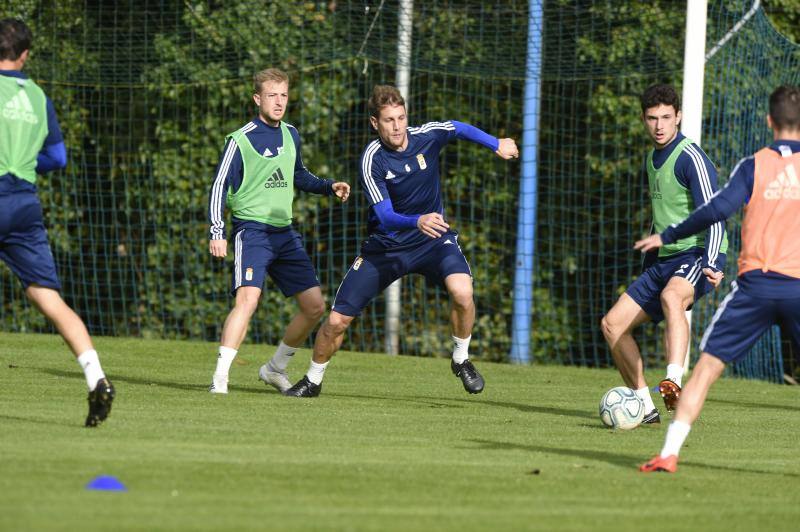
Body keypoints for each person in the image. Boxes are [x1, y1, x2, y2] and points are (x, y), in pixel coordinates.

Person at [283, 84, 519, 397]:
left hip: (432, 240)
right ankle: (312, 380)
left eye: (401, 117)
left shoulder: (427, 135)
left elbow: (458, 128)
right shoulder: (372, 159)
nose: (397, 126)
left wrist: (495, 143)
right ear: (374, 123)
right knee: (337, 322)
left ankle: (461, 358)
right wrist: (416, 220)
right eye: (389, 120)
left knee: (463, 292)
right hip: (387, 247)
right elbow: (384, 215)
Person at [637, 85, 800, 473]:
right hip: (797, 285)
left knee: (707, 369)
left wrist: (668, 235)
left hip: (755, 287)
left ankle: (670, 453)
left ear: (769, 122)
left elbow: (716, 210)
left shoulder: (753, 165)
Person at [207, 68, 350, 394]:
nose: (279, 101)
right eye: (272, 95)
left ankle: (275, 368)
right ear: (258, 98)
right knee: (248, 299)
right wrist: (218, 231)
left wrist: (330, 187)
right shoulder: (240, 140)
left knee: (315, 307)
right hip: (252, 231)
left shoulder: (291, 134)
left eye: (284, 95)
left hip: (284, 234)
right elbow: (218, 187)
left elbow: (299, 175)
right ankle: (220, 379)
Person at [0, 19, 114, 426]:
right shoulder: (36, 95)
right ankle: (96, 377)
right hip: (25, 205)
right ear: (25, 54)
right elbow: (59, 158)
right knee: (49, 299)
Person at [600, 84, 727, 423]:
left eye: (666, 117)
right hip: (664, 259)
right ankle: (644, 406)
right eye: (652, 118)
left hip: (698, 253)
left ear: (678, 117)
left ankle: (673, 379)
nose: (659, 125)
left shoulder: (691, 157)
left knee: (673, 297)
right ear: (644, 119)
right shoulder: (651, 158)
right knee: (612, 325)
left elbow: (715, 213)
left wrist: (713, 261)